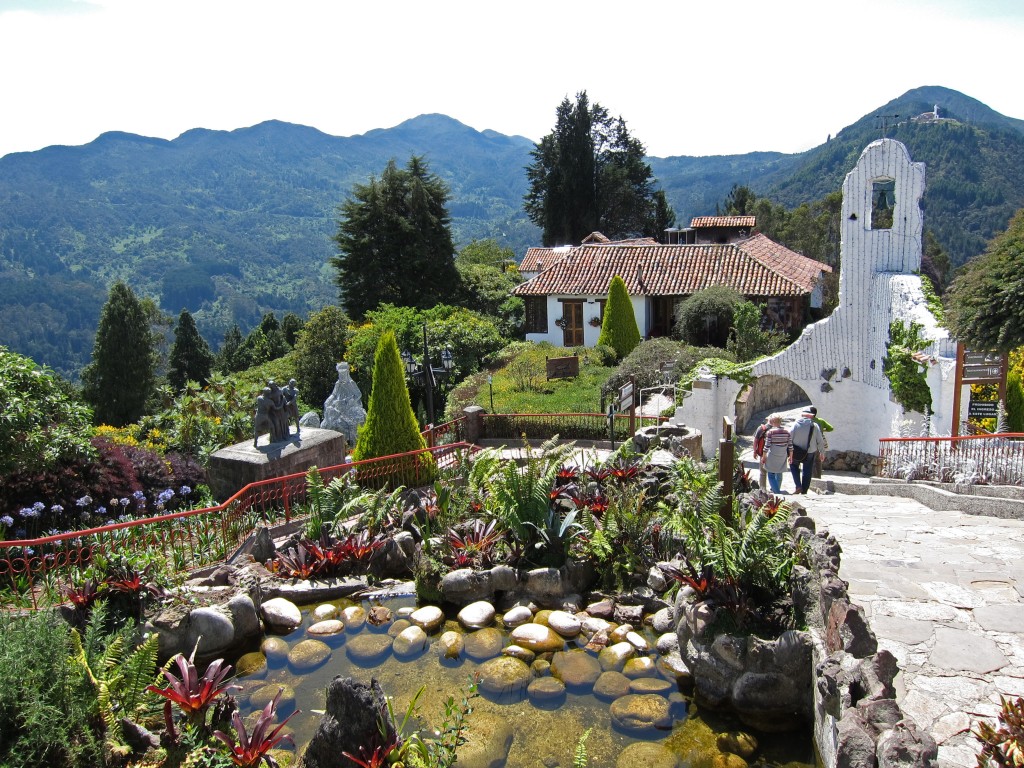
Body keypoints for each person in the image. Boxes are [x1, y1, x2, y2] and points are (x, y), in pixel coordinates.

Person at [789, 407, 827, 494]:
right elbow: (820, 440)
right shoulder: (815, 426)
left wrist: (789, 451)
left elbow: (789, 438)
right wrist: (822, 452)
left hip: (796, 451)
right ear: (811, 416)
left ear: (802, 415)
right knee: (807, 469)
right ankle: (804, 490)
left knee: (793, 466)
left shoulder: (795, 425)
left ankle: (798, 486)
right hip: (810, 451)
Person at [761, 414, 792, 494]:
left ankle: (776, 491)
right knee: (779, 472)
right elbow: (790, 446)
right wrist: (791, 456)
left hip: (773, 455)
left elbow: (767, 446)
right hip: (783, 455)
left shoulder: (770, 432)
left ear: (773, 422)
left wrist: (764, 456)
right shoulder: (787, 432)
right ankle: (776, 488)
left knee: (771, 474)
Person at [751, 416, 770, 490]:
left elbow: (756, 440)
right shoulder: (781, 429)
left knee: (763, 472)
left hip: (763, 453)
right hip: (776, 454)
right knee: (776, 472)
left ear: (767, 420)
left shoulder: (761, 428)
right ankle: (776, 489)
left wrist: (755, 451)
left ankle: (763, 489)